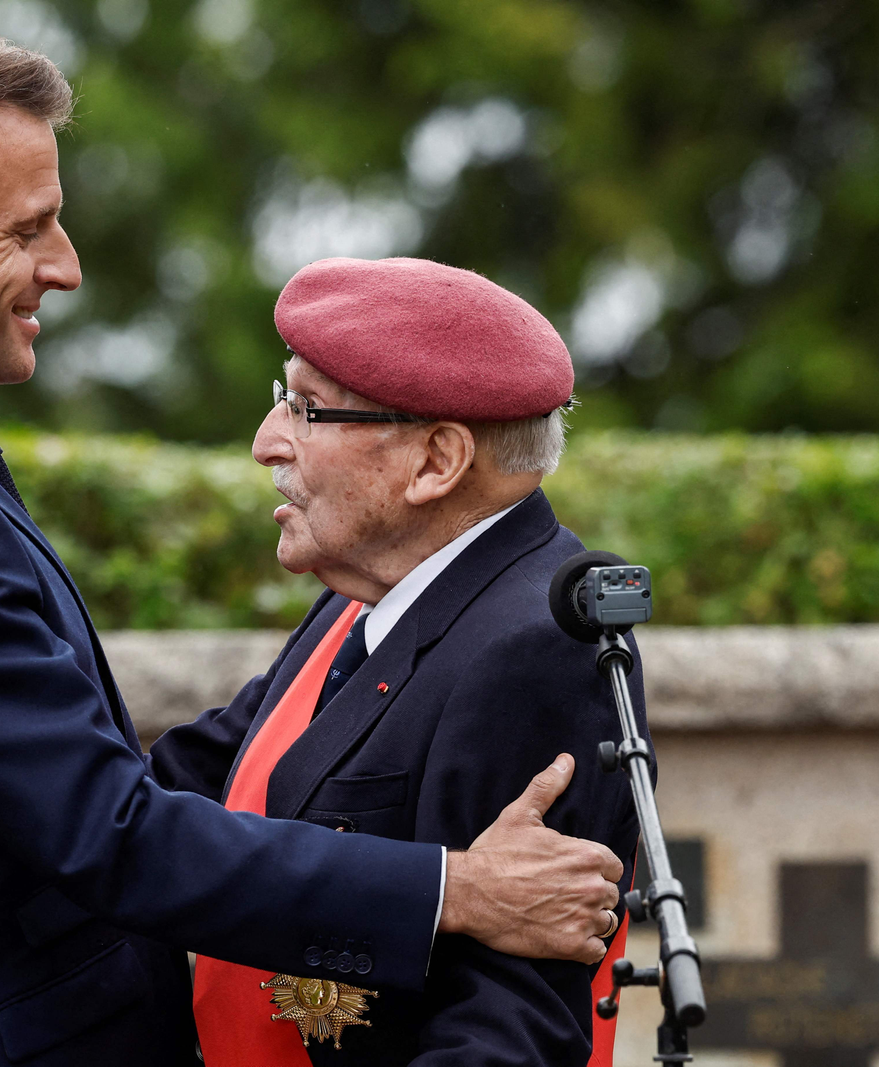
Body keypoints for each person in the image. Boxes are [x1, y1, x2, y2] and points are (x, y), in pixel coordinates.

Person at [0, 27, 623, 1067]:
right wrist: (456, 889)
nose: (66, 267)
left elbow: (133, 774)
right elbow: (107, 829)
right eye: (29, 228)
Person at [152, 257, 647, 1066]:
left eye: (308, 410)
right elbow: (183, 786)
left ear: (436, 462)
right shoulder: (367, 593)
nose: (265, 442)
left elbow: (509, 1027)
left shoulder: (537, 650)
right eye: (284, 398)